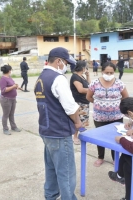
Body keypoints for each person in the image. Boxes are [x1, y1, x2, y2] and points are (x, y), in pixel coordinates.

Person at [34, 47, 82, 200]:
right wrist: (78, 122)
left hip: (46, 130)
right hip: (59, 132)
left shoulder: (41, 77)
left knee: (51, 168)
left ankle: (51, 196)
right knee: (66, 173)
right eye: (66, 62)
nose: (67, 66)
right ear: (59, 61)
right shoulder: (58, 78)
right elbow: (70, 107)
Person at [86, 62, 129, 167]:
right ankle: (100, 157)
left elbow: (126, 97)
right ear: (102, 71)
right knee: (100, 137)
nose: (109, 75)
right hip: (99, 117)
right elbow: (88, 97)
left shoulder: (119, 83)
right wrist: (99, 104)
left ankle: (115, 159)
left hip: (116, 117)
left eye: (111, 72)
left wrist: (116, 105)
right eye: (107, 72)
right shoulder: (95, 83)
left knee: (116, 138)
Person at [70, 60, 91, 145]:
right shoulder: (75, 77)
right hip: (79, 103)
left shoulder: (81, 76)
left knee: (83, 121)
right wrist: (92, 90)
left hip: (85, 102)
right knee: (78, 121)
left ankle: (81, 136)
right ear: (83, 67)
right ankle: (75, 137)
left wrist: (88, 75)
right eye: (86, 67)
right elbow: (81, 90)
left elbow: (90, 84)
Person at [0, 64, 22, 135]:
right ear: (9, 71)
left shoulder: (9, 77)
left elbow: (12, 85)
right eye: (11, 70)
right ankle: (5, 129)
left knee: (11, 114)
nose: (11, 71)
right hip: (6, 99)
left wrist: (16, 87)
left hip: (12, 99)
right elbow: (4, 90)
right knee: (6, 114)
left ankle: (13, 127)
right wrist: (13, 87)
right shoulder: (2, 79)